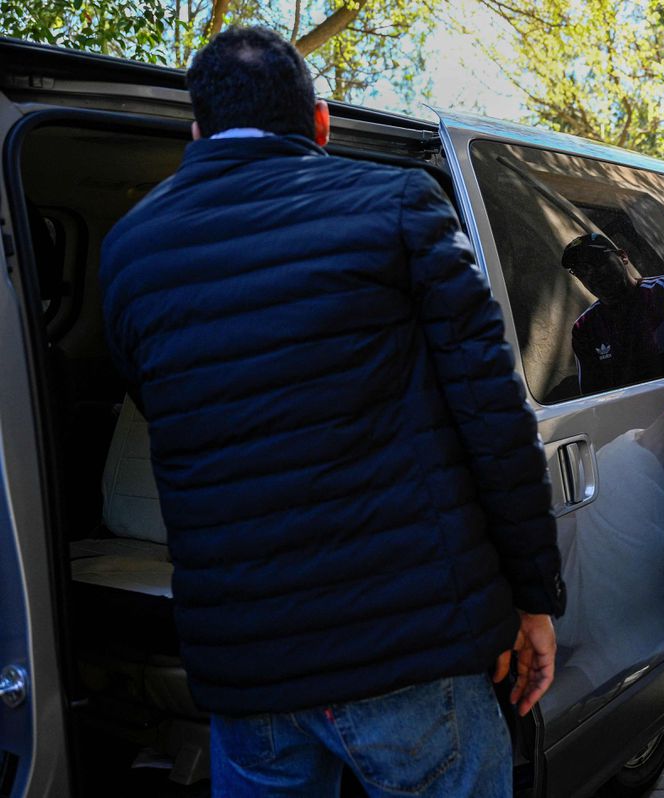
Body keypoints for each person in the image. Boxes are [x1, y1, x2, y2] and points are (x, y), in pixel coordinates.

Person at [99, 27, 565, 797]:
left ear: (197, 130)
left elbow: (163, 405)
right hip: (410, 653)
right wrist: (535, 598)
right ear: (321, 123)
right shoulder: (398, 204)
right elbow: (493, 419)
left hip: (247, 670)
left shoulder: (128, 250)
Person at [561, 232, 664, 394]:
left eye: (597, 261)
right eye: (581, 271)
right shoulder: (585, 327)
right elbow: (594, 398)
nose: (591, 274)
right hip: (627, 411)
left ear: (623, 257)